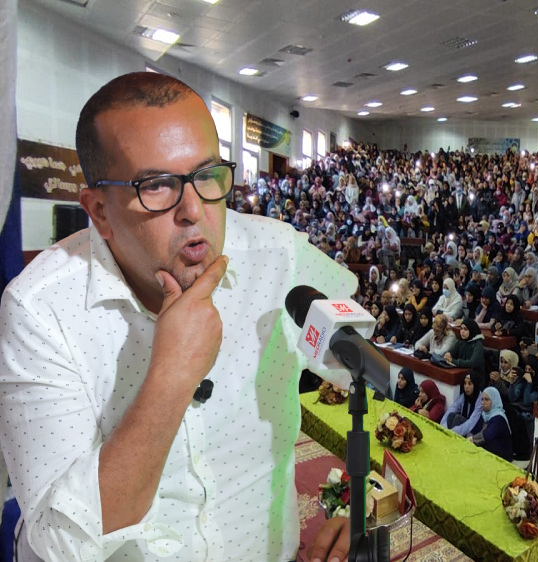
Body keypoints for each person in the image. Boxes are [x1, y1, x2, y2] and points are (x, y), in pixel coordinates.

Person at [0, 72, 355, 561]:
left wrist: (366, 506)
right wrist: (171, 377)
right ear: (99, 210)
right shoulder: (40, 309)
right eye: (157, 185)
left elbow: (367, 367)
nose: (194, 209)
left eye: (207, 175)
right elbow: (60, 545)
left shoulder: (279, 255)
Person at [468, 387, 514, 461]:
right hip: (488, 450)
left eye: (486, 400)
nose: (483, 402)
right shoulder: (484, 414)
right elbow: (474, 429)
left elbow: (487, 436)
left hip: (501, 457)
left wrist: (471, 440)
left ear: (494, 400)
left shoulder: (499, 417)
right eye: (482, 399)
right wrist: (469, 436)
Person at [441, 373, 484, 437]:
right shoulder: (464, 396)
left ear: (475, 385)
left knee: (457, 419)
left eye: (470, 384)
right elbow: (452, 409)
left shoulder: (481, 399)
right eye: (465, 383)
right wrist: (442, 427)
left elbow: (471, 423)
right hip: (462, 428)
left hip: (474, 431)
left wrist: (451, 432)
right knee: (451, 416)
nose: (466, 387)